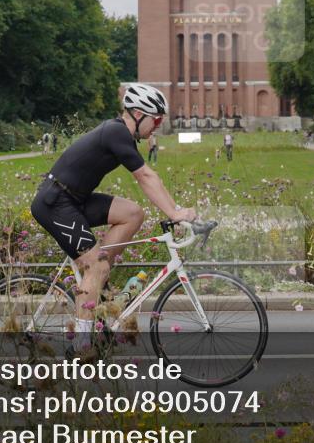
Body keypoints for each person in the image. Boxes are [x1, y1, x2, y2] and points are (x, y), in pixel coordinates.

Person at [29, 83, 196, 349]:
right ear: (139, 113)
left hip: (73, 199)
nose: (158, 125)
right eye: (156, 119)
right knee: (96, 266)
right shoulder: (116, 131)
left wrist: (174, 211)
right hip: (55, 202)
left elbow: (147, 178)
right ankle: (82, 345)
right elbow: (145, 176)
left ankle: (97, 280)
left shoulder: (122, 135)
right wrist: (175, 212)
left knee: (132, 213)